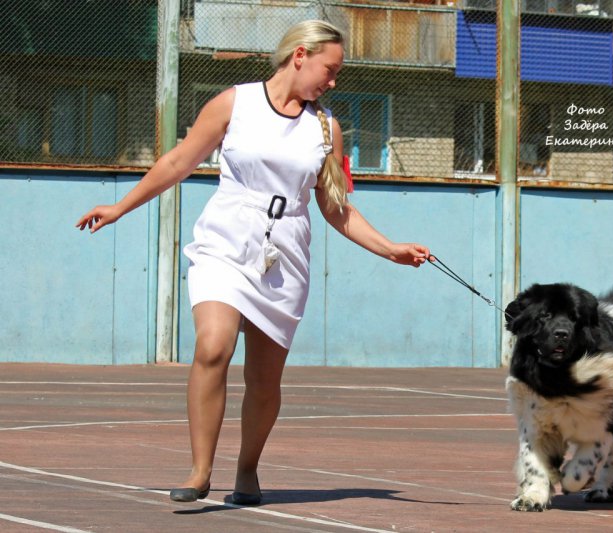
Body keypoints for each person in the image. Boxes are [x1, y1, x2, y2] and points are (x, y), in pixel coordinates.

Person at [76, 19, 430, 505]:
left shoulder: (326, 128)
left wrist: (390, 248)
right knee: (213, 346)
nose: (333, 82)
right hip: (226, 239)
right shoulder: (233, 103)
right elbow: (178, 162)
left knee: (264, 381)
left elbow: (336, 207)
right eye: (329, 70)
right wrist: (121, 207)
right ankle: (200, 471)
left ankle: (247, 469)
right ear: (300, 55)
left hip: (284, 255)